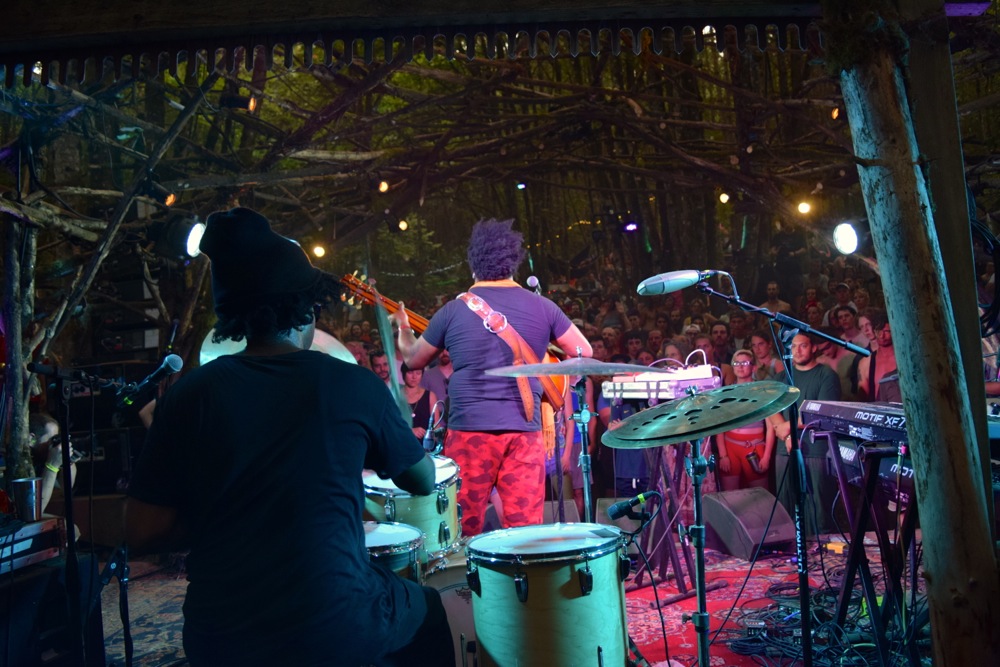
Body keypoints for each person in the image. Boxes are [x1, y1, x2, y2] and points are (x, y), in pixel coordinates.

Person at [124, 207, 452, 667]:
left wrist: (231, 517)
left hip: (220, 637)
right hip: (332, 626)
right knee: (430, 607)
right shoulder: (353, 385)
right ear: (307, 308)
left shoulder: (190, 394)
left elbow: (141, 531)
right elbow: (421, 479)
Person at [395, 218, 591, 537]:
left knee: (466, 527)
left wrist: (404, 326)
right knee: (525, 532)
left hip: (470, 432)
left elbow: (413, 357)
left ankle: (472, 571)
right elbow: (583, 351)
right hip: (525, 431)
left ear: (473, 265)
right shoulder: (544, 307)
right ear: (513, 263)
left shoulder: (452, 311)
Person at [713, 350, 775, 491]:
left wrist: (766, 457)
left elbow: (771, 427)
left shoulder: (762, 392)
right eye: (736, 363)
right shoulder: (726, 392)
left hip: (755, 448)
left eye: (745, 363)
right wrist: (723, 455)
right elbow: (720, 425)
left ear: (753, 367)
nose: (740, 366)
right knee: (730, 497)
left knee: (759, 495)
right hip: (730, 448)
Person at [27, 412, 77, 513]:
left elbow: (66, 488)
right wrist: (52, 466)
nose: (55, 445)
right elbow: (34, 510)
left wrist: (68, 460)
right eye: (52, 439)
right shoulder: (16, 464)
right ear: (31, 440)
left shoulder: (41, 460)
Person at [401, 362, 439, 446]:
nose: (414, 377)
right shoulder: (396, 396)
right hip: (402, 446)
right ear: (403, 373)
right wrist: (410, 431)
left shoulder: (430, 396)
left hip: (425, 447)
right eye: (410, 372)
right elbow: (391, 426)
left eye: (418, 373)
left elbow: (436, 426)